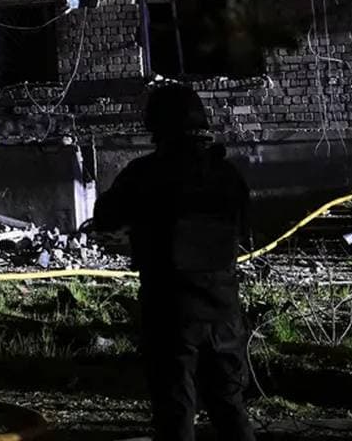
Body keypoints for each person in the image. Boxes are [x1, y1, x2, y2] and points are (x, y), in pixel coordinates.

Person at [87, 83, 256, 441]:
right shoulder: (227, 175)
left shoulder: (145, 173)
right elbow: (244, 228)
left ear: (157, 124)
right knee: (229, 405)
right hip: (223, 309)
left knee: (175, 409)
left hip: (170, 310)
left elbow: (105, 217)